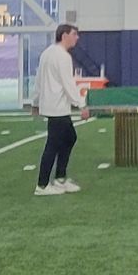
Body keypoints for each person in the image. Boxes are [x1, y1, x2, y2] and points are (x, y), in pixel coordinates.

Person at [35, 24, 85, 196]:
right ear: (64, 36)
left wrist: (36, 102)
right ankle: (42, 185)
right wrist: (81, 104)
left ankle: (60, 178)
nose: (77, 38)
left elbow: (38, 80)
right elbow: (68, 83)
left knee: (70, 137)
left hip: (52, 106)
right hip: (58, 107)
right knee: (53, 145)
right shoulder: (63, 57)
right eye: (74, 34)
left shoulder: (46, 53)